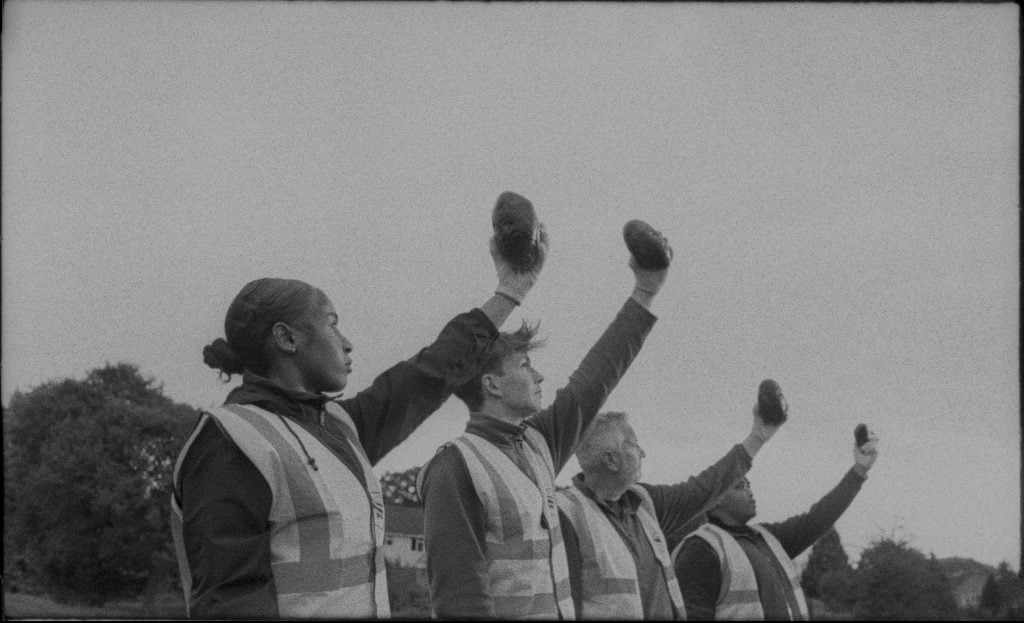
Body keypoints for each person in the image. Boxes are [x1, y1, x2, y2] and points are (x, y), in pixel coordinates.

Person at [169, 230, 547, 619]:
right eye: (332, 323)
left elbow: (430, 373)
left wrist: (511, 291)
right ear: (286, 338)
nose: (347, 343)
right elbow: (228, 604)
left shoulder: (337, 426)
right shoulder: (231, 441)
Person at [416, 242, 669, 620]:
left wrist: (645, 291)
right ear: (493, 385)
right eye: (524, 364)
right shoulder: (455, 467)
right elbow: (460, 599)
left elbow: (597, 377)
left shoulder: (537, 443)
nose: (538, 375)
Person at [555, 395, 784, 620]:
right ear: (611, 460)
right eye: (634, 445)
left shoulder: (645, 502)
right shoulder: (566, 513)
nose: (643, 452)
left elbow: (705, 488)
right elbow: (563, 607)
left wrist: (757, 437)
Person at [672, 427, 881, 620]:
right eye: (739, 486)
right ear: (713, 499)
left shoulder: (768, 538)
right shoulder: (700, 548)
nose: (749, 490)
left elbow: (819, 518)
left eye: (749, 484)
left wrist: (859, 471)